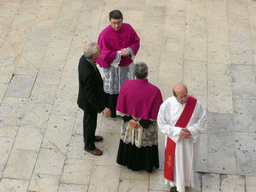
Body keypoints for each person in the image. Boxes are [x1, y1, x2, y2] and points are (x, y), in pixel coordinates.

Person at [157, 84, 207, 192]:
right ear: (175, 96)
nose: (184, 99)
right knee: (175, 164)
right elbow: (162, 124)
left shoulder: (195, 104)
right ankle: (175, 184)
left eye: (186, 95)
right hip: (175, 141)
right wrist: (178, 131)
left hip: (189, 140)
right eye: (181, 97)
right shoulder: (166, 105)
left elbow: (202, 119)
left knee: (188, 162)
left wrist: (191, 130)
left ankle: (187, 181)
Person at [116, 62, 163, 173]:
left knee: (129, 141)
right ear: (147, 74)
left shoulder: (126, 85)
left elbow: (120, 107)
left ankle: (127, 161)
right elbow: (157, 113)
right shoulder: (155, 91)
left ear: (134, 73)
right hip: (146, 126)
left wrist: (130, 120)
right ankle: (146, 165)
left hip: (130, 124)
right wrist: (141, 123)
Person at [97, 9, 140, 117]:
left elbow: (136, 41)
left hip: (125, 67)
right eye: (114, 23)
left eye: (119, 22)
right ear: (109, 21)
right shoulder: (104, 34)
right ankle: (112, 111)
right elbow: (102, 54)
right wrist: (119, 54)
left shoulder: (128, 28)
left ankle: (126, 110)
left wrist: (129, 50)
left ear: (122, 20)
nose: (116, 26)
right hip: (112, 68)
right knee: (113, 90)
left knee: (126, 88)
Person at [77, 42, 111, 156]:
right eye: (98, 52)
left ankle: (89, 137)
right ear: (93, 57)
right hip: (89, 103)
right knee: (90, 123)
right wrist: (102, 108)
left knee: (90, 122)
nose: (100, 53)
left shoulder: (84, 58)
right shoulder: (87, 73)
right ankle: (89, 146)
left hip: (89, 100)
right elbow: (90, 95)